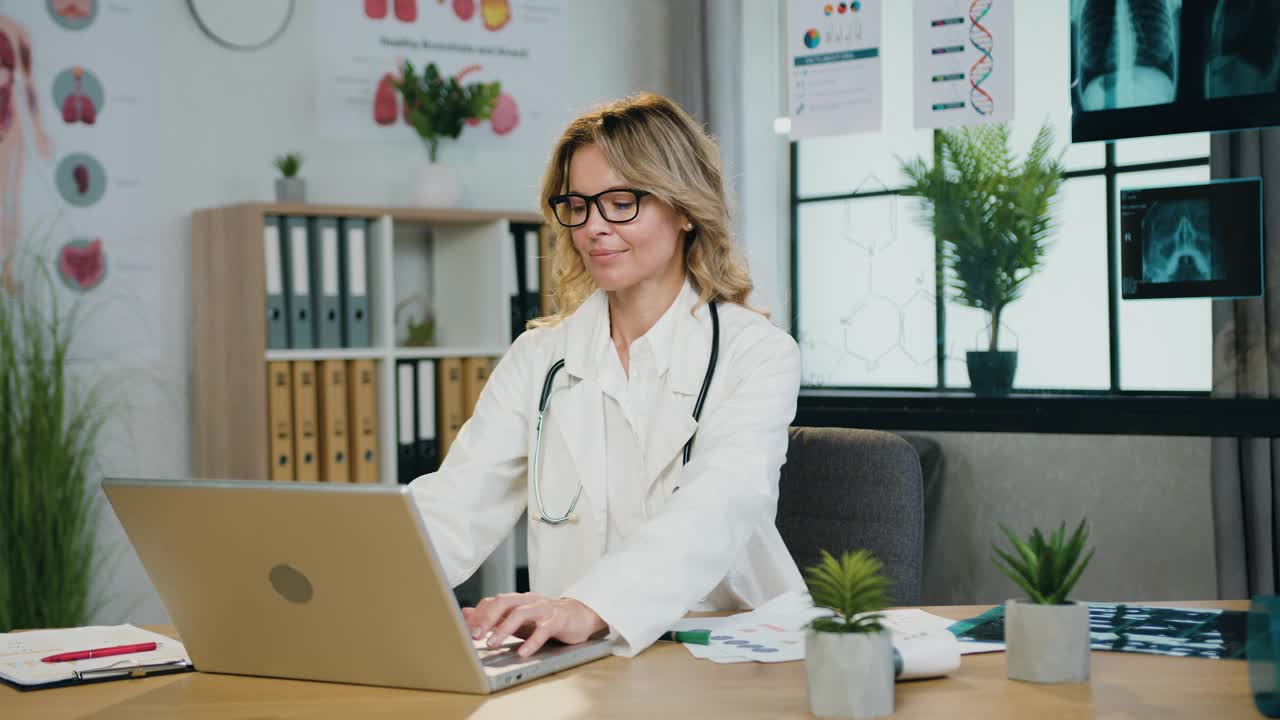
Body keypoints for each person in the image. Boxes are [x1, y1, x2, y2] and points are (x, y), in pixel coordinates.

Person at [409, 93, 804, 659]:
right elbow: (456, 507)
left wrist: (590, 607)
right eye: (578, 205)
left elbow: (719, 501)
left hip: (725, 648)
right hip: (577, 656)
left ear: (686, 209)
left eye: (621, 202)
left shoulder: (756, 353)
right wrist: (350, 586)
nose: (594, 227)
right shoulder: (539, 358)